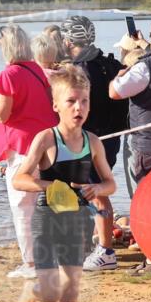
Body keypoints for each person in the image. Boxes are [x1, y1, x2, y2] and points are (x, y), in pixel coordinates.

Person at [11, 64, 116, 302]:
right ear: (56, 105)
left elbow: (111, 183)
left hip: (76, 221)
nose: (78, 107)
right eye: (71, 101)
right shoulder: (46, 139)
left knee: (70, 287)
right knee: (48, 291)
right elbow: (20, 178)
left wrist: (97, 189)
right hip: (47, 217)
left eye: (84, 101)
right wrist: (50, 185)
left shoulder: (93, 142)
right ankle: (31, 293)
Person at [0, 24, 58, 279]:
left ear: (6, 47)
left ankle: (31, 264)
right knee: (42, 204)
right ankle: (46, 257)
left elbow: (2, 114)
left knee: (22, 207)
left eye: (0, 45)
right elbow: (14, 88)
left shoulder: (10, 75)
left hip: (22, 149)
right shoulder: (34, 70)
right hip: (44, 144)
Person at [60, 15, 126, 271]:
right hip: (109, 138)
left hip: (90, 140)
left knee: (95, 195)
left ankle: (105, 250)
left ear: (68, 41)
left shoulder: (79, 72)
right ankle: (93, 244)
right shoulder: (108, 64)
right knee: (89, 194)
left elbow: (75, 109)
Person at [109, 16, 151, 182]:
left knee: (150, 195)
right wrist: (143, 43)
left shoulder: (146, 67)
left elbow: (115, 92)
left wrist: (117, 78)